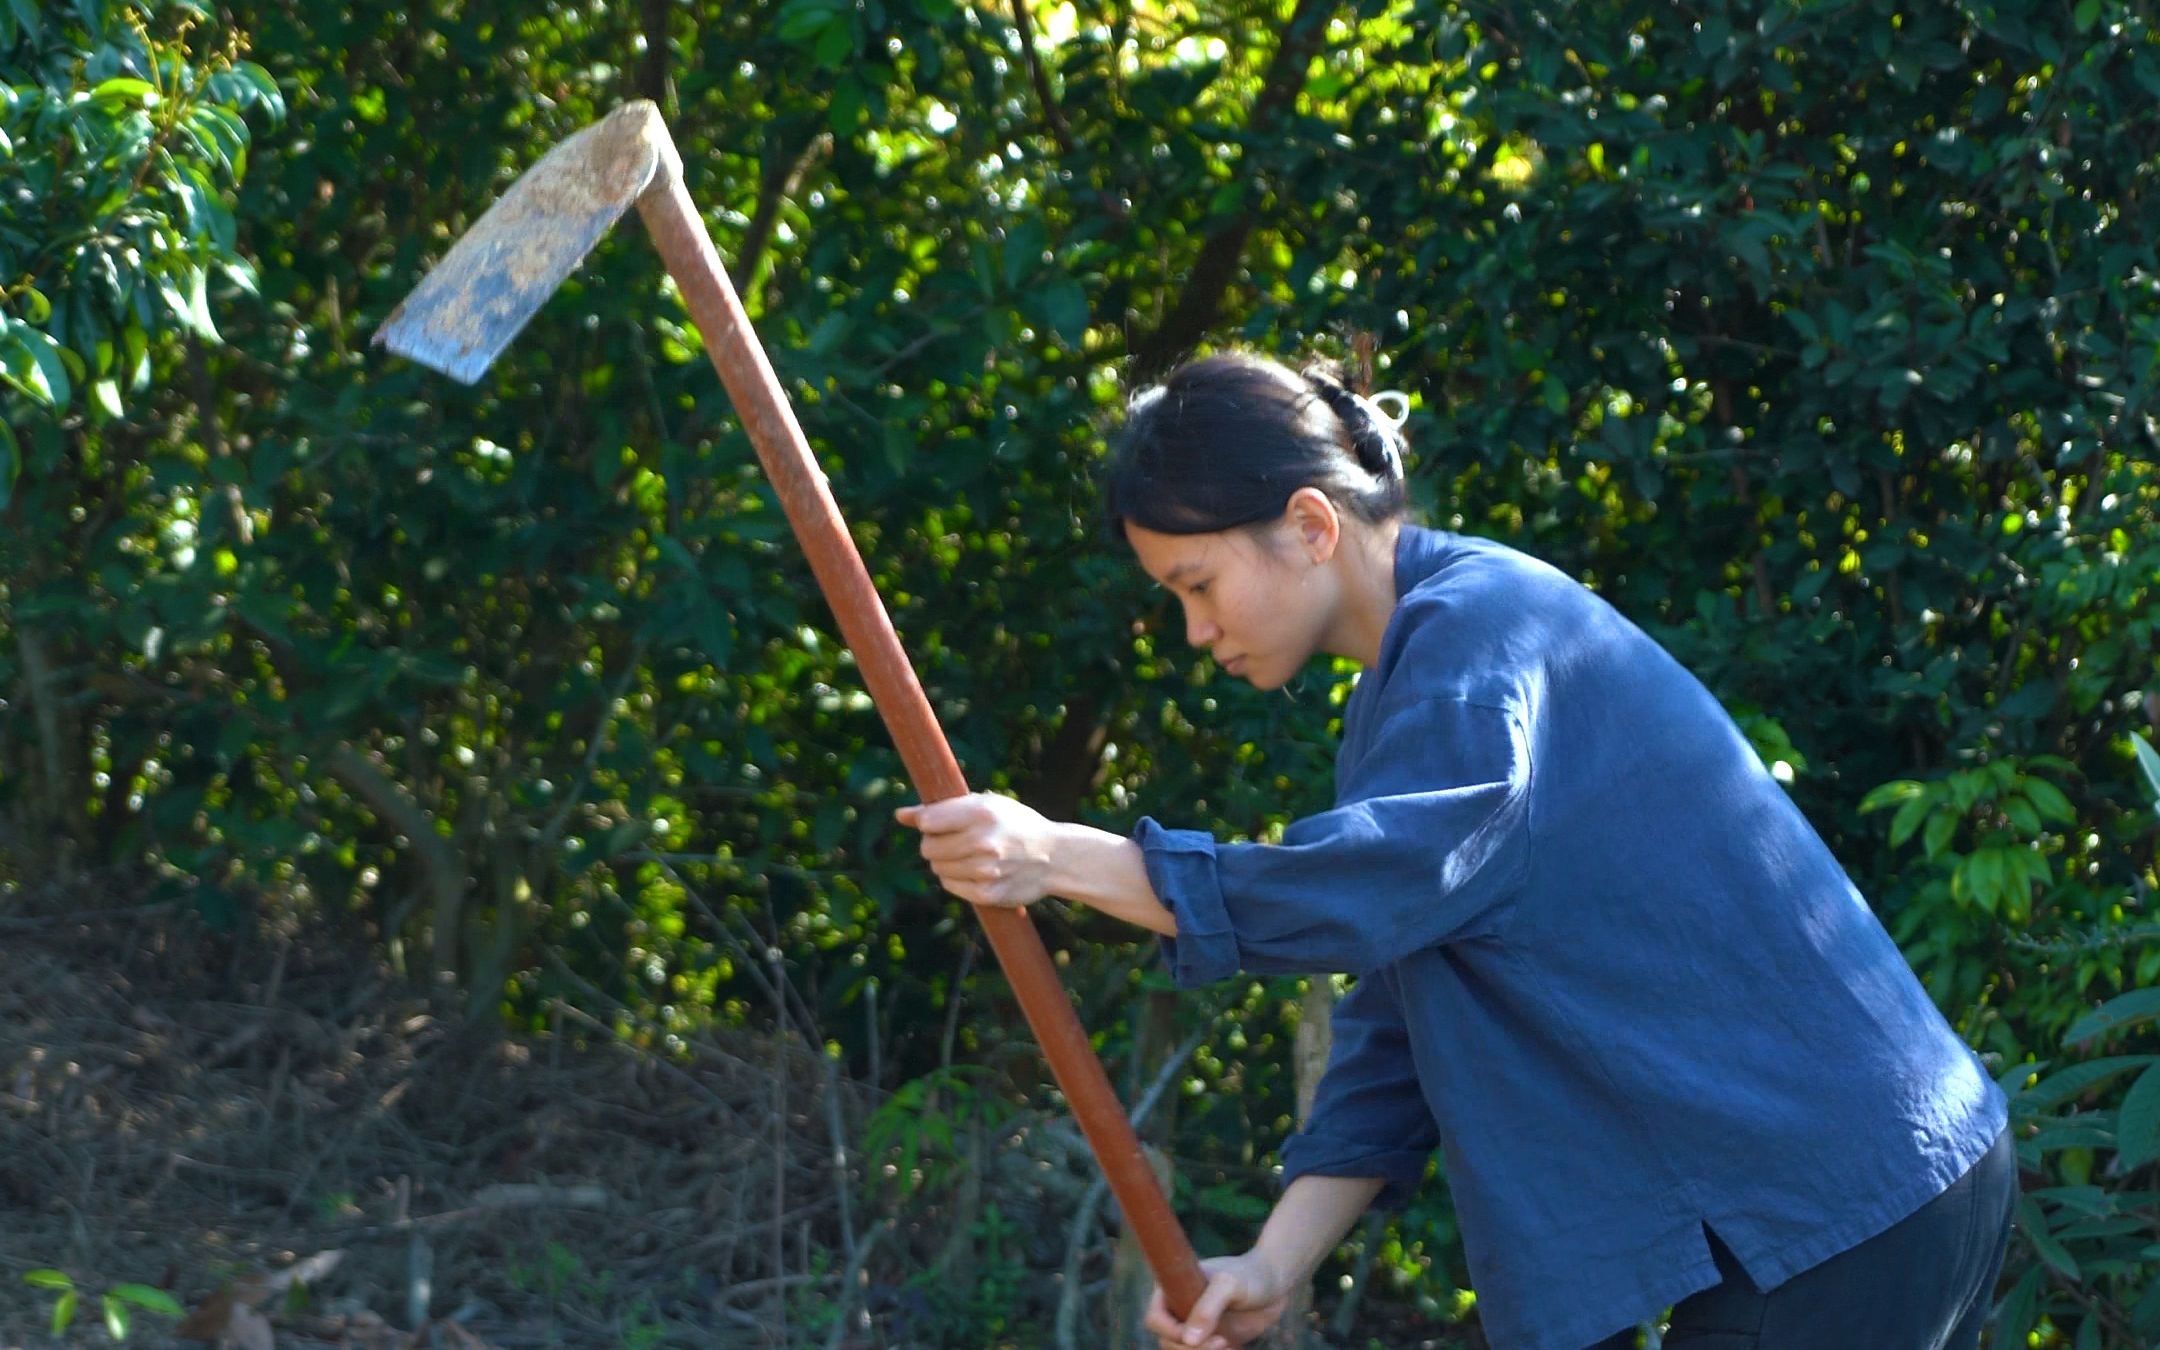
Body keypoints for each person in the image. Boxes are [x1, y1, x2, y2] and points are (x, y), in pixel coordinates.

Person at [893, 351, 2015, 1350]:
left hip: (1832, 1202)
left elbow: (1381, 882)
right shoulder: (1404, 699)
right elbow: (1396, 1030)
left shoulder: (1479, 632)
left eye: (1197, 586)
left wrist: (1060, 858)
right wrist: (1274, 1265)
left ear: (1311, 527)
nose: (1196, 632)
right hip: (1864, 1196)